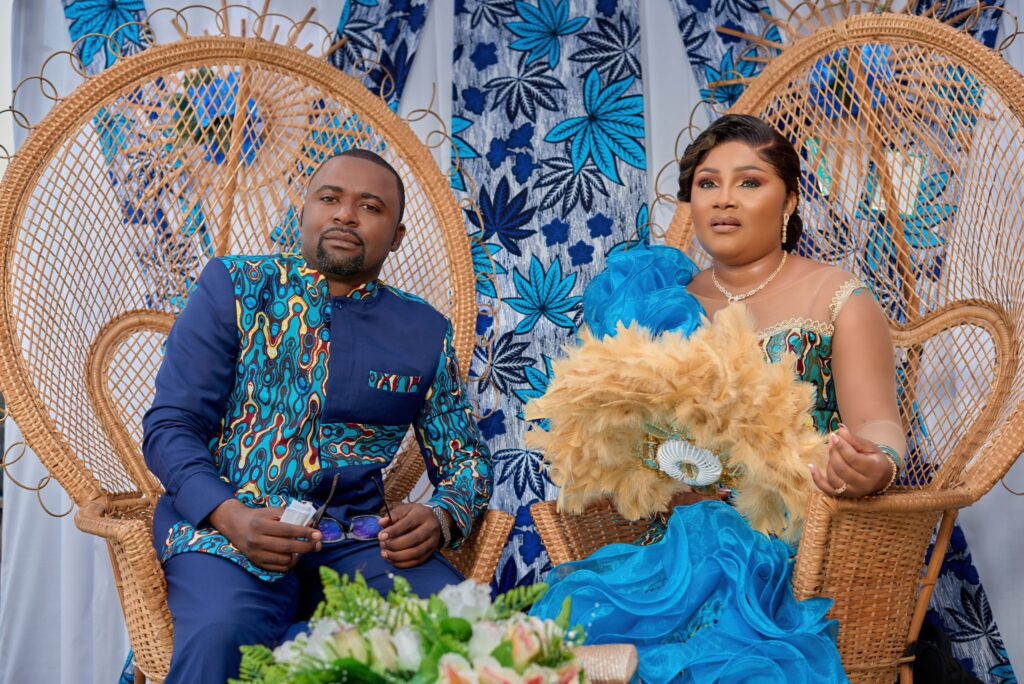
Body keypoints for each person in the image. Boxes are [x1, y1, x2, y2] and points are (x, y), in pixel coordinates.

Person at [528, 115, 906, 682]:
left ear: (789, 200)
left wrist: (876, 464)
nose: (724, 199)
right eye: (708, 183)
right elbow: (623, 433)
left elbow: (878, 420)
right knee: (569, 643)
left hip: (800, 545)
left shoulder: (836, 296)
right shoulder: (662, 303)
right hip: (671, 549)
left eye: (749, 182)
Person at [142, 149, 493, 683]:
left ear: (397, 236)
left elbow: (466, 460)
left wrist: (441, 516)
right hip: (228, 533)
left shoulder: (423, 332)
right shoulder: (235, 288)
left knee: (463, 631)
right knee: (220, 634)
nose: (345, 215)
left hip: (358, 542)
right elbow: (170, 428)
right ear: (303, 212)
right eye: (329, 198)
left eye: (370, 207)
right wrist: (230, 516)